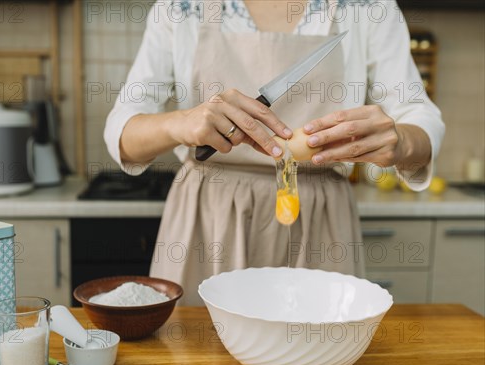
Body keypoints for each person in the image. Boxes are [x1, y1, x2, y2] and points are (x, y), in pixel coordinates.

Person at [104, 0, 445, 305]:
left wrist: (402, 142)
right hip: (208, 221)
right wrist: (179, 123)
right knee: (196, 362)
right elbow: (122, 133)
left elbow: (419, 116)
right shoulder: (180, 7)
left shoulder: (368, 7)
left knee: (317, 354)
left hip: (321, 221)